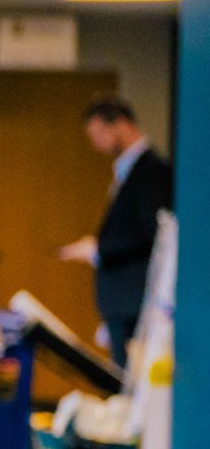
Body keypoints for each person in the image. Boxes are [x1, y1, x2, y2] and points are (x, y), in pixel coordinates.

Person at [57, 97, 173, 370]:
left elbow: (151, 230)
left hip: (135, 300)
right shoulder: (128, 170)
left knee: (128, 379)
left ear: (120, 125)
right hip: (122, 302)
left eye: (98, 134)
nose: (95, 144)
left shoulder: (151, 170)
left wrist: (99, 249)